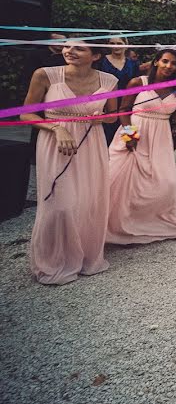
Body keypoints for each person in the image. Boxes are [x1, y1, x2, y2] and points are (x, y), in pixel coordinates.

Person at [20, 39, 119, 284]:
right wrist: (55, 128)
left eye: (78, 48)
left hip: (91, 143)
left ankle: (84, 257)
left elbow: (113, 116)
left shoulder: (110, 80)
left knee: (88, 200)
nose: (69, 51)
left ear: (95, 56)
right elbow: (26, 113)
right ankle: (53, 261)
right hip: (55, 142)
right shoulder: (44, 75)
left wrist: (101, 118)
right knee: (60, 203)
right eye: (67, 46)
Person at [106, 49, 176, 244]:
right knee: (125, 183)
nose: (169, 66)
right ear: (156, 62)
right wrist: (129, 134)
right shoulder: (138, 83)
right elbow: (123, 110)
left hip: (160, 137)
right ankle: (120, 228)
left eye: (173, 63)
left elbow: (175, 118)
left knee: (165, 183)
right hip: (135, 132)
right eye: (165, 61)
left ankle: (155, 225)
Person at [98, 36, 142, 145]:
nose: (116, 46)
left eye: (119, 43)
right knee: (107, 138)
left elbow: (137, 85)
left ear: (126, 45)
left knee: (126, 138)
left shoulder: (133, 64)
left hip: (127, 105)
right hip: (106, 105)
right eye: (112, 43)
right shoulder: (101, 62)